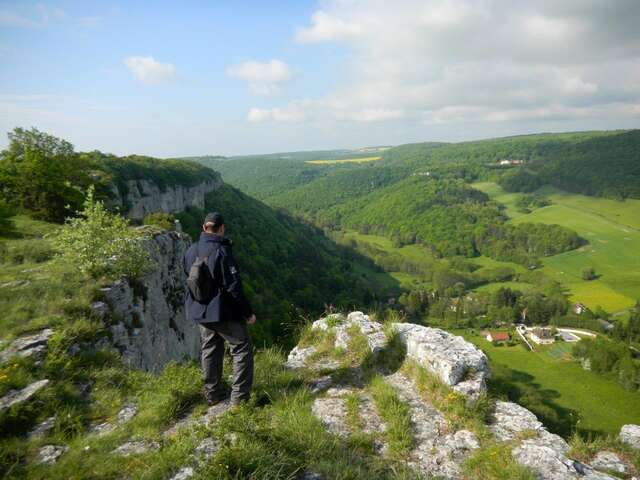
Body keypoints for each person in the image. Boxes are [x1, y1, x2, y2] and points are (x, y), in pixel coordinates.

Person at [183, 212, 256, 406]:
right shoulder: (223, 252)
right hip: (223, 312)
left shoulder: (191, 250)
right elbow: (234, 287)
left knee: (210, 349)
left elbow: (188, 277)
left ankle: (212, 395)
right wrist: (248, 313)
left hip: (201, 312)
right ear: (221, 228)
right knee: (241, 349)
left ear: (204, 228)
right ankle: (239, 400)